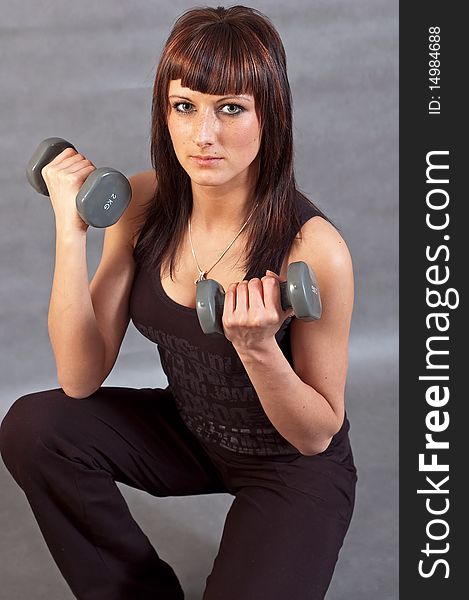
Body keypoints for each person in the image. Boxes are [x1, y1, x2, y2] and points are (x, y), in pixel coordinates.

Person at [0, 5, 357, 599]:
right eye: (185, 106)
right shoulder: (142, 205)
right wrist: (71, 231)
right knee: (36, 427)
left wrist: (258, 347)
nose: (203, 135)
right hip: (192, 429)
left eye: (231, 109)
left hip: (290, 466)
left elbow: (316, 435)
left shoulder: (315, 250)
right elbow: (80, 377)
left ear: (271, 115)